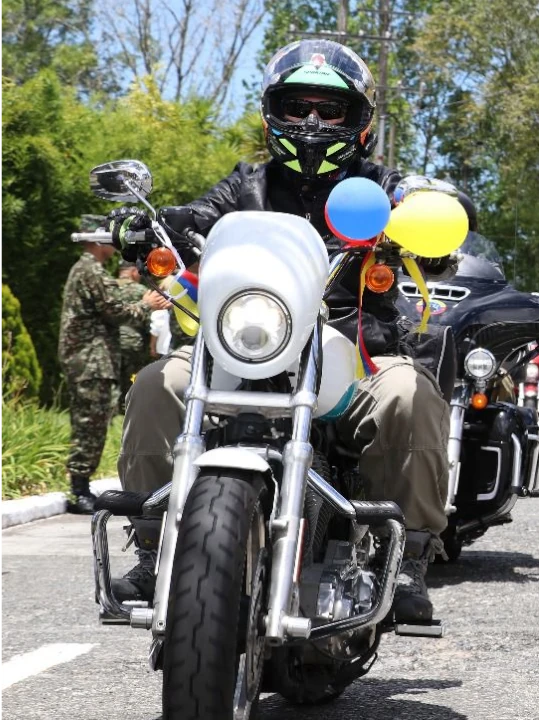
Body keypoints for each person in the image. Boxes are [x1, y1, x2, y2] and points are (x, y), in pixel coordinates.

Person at [107, 39, 458, 625]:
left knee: (411, 393)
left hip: (354, 353)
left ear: (359, 121)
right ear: (274, 112)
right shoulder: (247, 185)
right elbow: (195, 217)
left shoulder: (381, 188)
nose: (314, 122)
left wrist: (428, 223)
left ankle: (408, 560)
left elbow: (430, 222)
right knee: (158, 382)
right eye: (298, 107)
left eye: (331, 110)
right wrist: (149, 225)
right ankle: (153, 544)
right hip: (249, 345)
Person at [59, 235, 168, 514]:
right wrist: (146, 305)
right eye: (110, 241)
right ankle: (79, 490)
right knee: (91, 422)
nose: (115, 246)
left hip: (92, 358)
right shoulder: (90, 270)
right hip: (91, 359)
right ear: (98, 243)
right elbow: (113, 310)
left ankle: (81, 485)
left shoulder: (86, 270)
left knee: (91, 420)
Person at [114, 262, 151, 412]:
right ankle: (128, 410)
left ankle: (110, 410)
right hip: (133, 342)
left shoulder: (108, 288)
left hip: (110, 342)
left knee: (111, 379)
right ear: (134, 271)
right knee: (131, 380)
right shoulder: (142, 291)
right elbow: (150, 320)